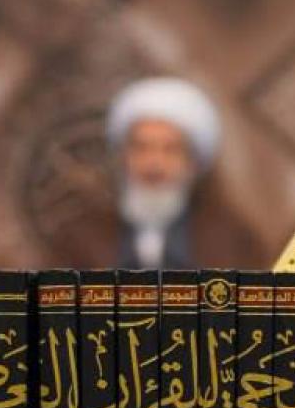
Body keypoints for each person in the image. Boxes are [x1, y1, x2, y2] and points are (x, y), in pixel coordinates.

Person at [103, 77, 241, 270]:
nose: (154, 163)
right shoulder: (80, 234)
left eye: (170, 150)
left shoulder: (230, 238)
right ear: (123, 156)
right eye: (141, 148)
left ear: (192, 163)